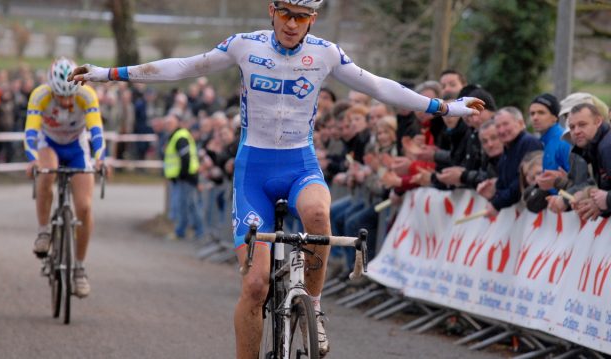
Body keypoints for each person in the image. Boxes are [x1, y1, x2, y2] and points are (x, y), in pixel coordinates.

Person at [68, 1, 483, 356]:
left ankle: (315, 307)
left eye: (301, 17)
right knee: (255, 285)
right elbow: (183, 67)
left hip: (300, 164)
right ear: (272, 11)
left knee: (319, 215)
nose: (291, 24)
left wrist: (445, 107)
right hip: (254, 172)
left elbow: (380, 87)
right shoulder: (244, 46)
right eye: (285, 13)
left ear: (312, 21)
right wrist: (108, 73)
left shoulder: (326, 54)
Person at [24, 57, 105, 298]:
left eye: (70, 95)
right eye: (62, 96)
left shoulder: (87, 95)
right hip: (48, 143)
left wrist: (101, 158)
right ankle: (43, 232)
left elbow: (96, 131)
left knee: (85, 207)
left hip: (76, 146)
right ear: (52, 88)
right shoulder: (40, 95)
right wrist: (32, 159)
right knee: (46, 174)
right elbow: (30, 131)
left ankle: (79, 269)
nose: (67, 101)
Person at [477, 107, 543, 216]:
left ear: (520, 123)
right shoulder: (507, 150)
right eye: (498, 126)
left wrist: (497, 203)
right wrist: (494, 190)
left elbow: (521, 182)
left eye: (506, 124)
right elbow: (505, 182)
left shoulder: (529, 143)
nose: (502, 130)